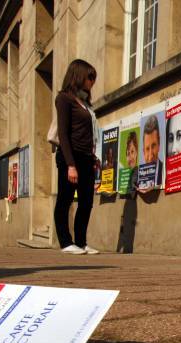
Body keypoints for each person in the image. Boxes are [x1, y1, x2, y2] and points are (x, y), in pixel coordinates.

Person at [53, 59, 100, 255]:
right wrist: (70, 165)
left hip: (86, 157)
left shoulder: (85, 103)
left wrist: (94, 157)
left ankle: (81, 241)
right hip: (69, 156)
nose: (92, 82)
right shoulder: (64, 99)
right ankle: (65, 242)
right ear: (78, 76)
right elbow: (63, 133)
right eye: (90, 78)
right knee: (65, 199)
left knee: (86, 201)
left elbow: (89, 133)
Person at [142, 115, 163, 186]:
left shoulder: (165, 171)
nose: (151, 156)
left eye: (153, 146)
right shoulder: (140, 178)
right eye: (147, 149)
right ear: (143, 152)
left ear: (159, 143)